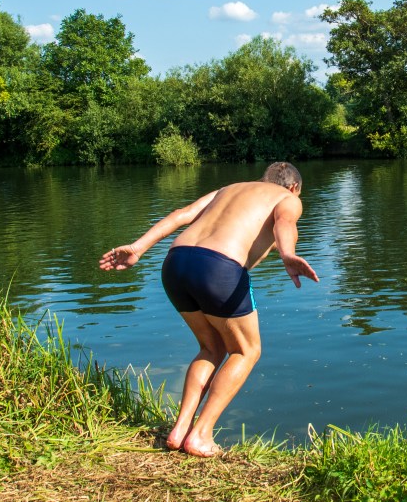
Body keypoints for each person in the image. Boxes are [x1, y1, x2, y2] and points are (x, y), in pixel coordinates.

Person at [98, 161, 319, 457]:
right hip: (217, 268)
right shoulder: (288, 198)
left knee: (211, 347)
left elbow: (182, 215)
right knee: (246, 350)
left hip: (176, 262)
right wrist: (289, 254)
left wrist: (138, 248)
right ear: (294, 187)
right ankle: (200, 435)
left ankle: (180, 430)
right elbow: (285, 223)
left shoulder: (229, 189)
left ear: (262, 179)